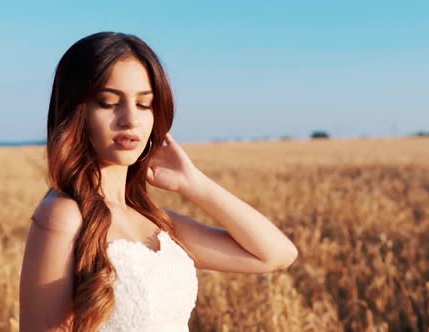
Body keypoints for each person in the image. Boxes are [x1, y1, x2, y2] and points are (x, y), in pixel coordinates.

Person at [19, 31, 298, 332]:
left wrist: (193, 183)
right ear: (75, 111)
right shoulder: (64, 214)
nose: (130, 119)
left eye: (144, 104)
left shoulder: (158, 224)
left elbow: (277, 255)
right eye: (108, 102)